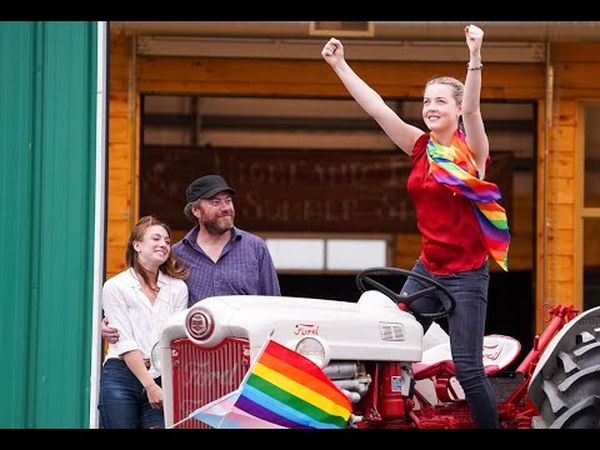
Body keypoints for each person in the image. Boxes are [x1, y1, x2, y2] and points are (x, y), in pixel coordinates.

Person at [321, 25, 510, 429]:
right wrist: (340, 65)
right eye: (426, 101)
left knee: (469, 371)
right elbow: (378, 109)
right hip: (427, 271)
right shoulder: (420, 147)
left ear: (456, 109)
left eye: (440, 100)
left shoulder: (471, 152)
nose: (430, 106)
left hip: (465, 276)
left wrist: (475, 55)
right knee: (386, 348)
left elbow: (475, 110)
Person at [102, 175, 281, 340]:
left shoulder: (255, 248)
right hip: (193, 359)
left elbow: (274, 305)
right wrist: (112, 324)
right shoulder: (176, 254)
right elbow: (151, 300)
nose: (226, 208)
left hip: (247, 354)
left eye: (228, 201)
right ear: (196, 210)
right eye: (216, 202)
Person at [98, 215, 189, 428]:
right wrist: (149, 385)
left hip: (162, 373)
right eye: (156, 239)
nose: (163, 244)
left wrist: (159, 384)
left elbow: (175, 338)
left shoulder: (177, 288)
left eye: (167, 241)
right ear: (137, 245)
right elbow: (124, 341)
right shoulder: (115, 286)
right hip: (121, 374)